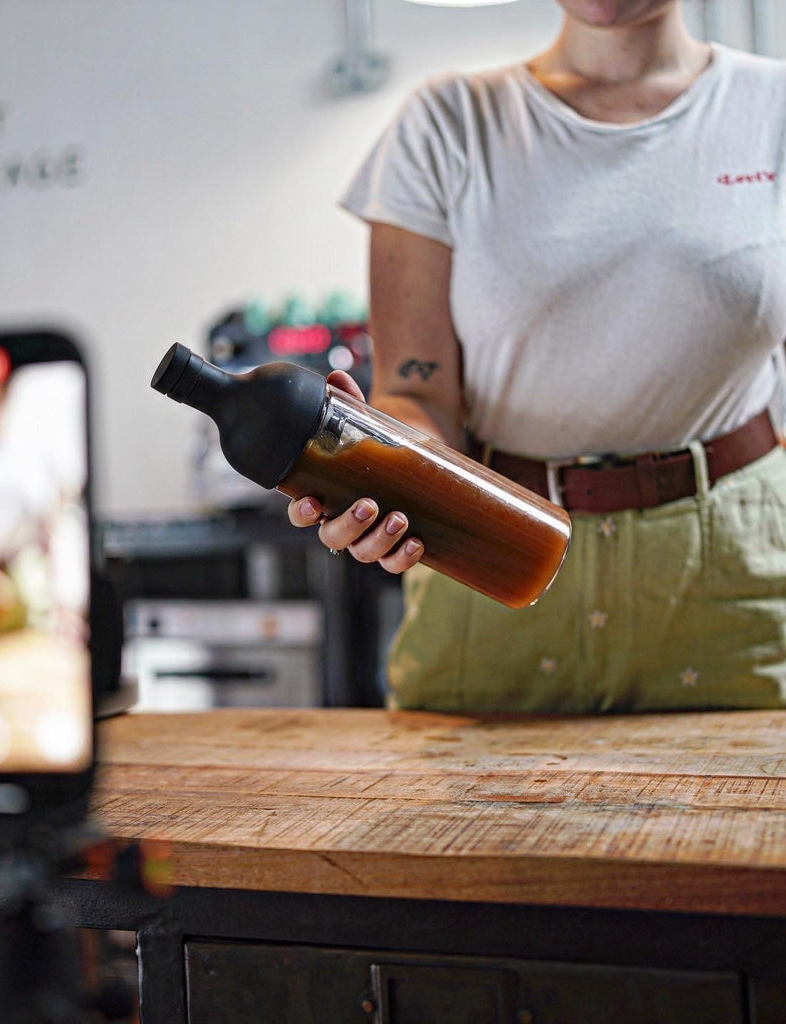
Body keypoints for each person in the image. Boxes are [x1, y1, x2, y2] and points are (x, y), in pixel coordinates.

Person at [287, 0, 786, 713]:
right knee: (463, 824)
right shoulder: (447, 121)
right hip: (491, 554)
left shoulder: (774, 106)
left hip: (740, 570)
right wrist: (384, 475)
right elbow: (418, 394)